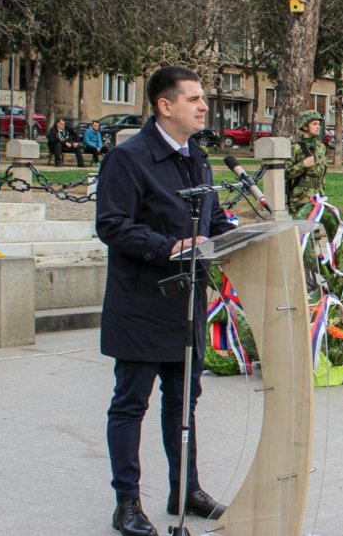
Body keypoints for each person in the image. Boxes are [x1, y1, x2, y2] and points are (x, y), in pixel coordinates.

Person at [96, 66, 235, 536]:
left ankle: (185, 488)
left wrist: (240, 237)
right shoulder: (129, 158)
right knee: (131, 404)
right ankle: (127, 503)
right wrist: (168, 247)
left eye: (203, 98)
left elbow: (211, 219)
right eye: (194, 98)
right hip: (141, 303)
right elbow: (112, 224)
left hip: (186, 305)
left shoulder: (198, 157)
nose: (203, 106)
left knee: (183, 404)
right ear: (164, 105)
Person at [285, 110, 330, 217]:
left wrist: (322, 194)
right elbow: (285, 174)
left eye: (319, 124)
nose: (318, 127)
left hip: (318, 197)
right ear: (305, 126)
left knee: (315, 230)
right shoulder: (295, 148)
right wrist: (303, 165)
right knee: (303, 231)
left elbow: (322, 174)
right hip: (301, 199)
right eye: (314, 124)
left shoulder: (321, 147)